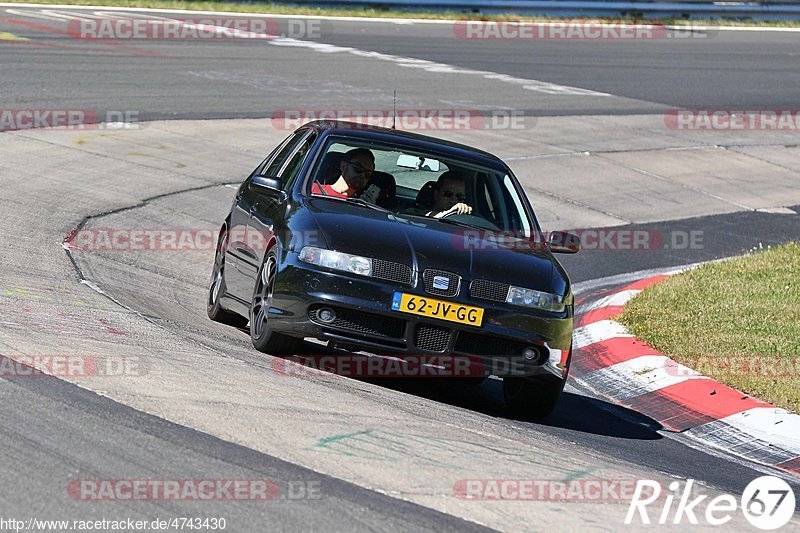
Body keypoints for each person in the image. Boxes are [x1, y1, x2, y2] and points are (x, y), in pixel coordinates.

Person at [312, 148, 376, 199]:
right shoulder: (312, 189)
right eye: (358, 168)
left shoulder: (364, 205)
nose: (362, 175)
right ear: (343, 166)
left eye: (367, 174)